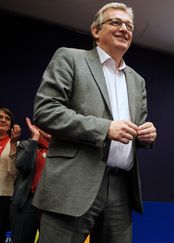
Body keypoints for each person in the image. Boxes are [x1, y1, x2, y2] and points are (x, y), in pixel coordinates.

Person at [32, 2, 157, 242]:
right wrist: (105, 128)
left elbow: (136, 127)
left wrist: (146, 135)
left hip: (122, 188)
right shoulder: (70, 58)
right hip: (72, 184)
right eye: (115, 22)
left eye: (129, 25)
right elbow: (45, 110)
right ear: (95, 31)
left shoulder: (137, 81)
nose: (124, 28)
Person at [10, 118, 50, 243]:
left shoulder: (59, 149)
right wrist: (35, 139)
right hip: (28, 200)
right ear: (36, 128)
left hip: (50, 203)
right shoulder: (26, 144)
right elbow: (23, 165)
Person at [0, 107, 21, 243]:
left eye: (7, 118)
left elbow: (14, 171)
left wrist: (13, 143)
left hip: (5, 198)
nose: (3, 120)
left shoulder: (17, 144)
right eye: (0, 117)